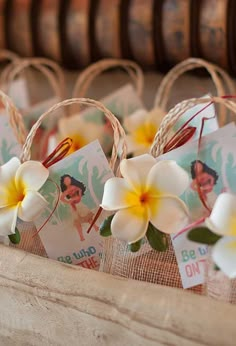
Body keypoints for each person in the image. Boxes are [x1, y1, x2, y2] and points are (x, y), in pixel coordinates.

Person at [60, 174, 99, 241]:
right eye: (66, 180)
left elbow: (80, 190)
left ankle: (95, 227)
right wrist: (69, 201)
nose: (67, 181)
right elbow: (62, 198)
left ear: (71, 179)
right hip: (73, 207)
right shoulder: (66, 191)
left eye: (68, 179)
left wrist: (79, 197)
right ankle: (81, 237)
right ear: (64, 182)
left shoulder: (74, 186)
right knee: (77, 222)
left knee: (88, 217)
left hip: (79, 204)